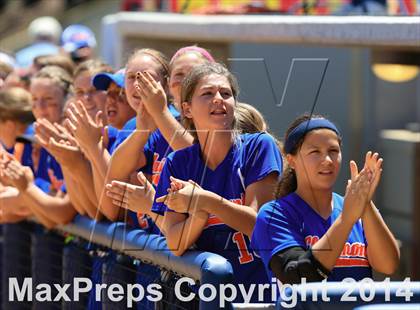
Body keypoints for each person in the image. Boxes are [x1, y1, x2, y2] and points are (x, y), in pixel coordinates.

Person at [150, 62, 282, 302]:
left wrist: (205, 201)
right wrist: (199, 214)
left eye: (226, 93)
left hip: (258, 296)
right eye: (208, 93)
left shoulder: (258, 147)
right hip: (205, 299)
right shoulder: (177, 163)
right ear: (187, 109)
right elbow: (176, 243)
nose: (219, 99)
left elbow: (259, 225)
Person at [251, 114, 400, 284]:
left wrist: (365, 203)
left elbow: (388, 266)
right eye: (315, 152)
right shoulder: (274, 214)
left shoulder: (356, 208)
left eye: (333, 151)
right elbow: (298, 276)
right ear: (291, 160)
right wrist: (345, 220)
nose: (328, 160)